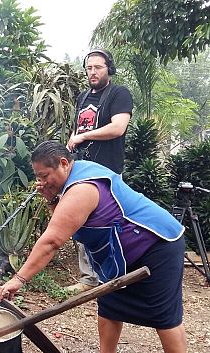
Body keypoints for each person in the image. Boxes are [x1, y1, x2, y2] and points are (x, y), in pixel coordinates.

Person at [0, 141, 200, 353]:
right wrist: (51, 196)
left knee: (164, 316)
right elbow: (66, 220)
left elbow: (53, 240)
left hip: (156, 245)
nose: (41, 181)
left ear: (64, 163)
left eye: (45, 176)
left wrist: (19, 279)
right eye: (38, 177)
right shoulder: (70, 184)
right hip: (122, 255)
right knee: (109, 305)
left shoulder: (83, 188)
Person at [65, 49, 134, 293]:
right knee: (83, 224)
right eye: (89, 68)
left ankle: (113, 278)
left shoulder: (119, 94)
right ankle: (88, 279)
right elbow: (78, 130)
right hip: (82, 171)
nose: (92, 72)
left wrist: (83, 135)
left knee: (110, 225)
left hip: (107, 173)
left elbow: (118, 128)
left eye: (98, 67)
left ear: (109, 69)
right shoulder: (83, 97)